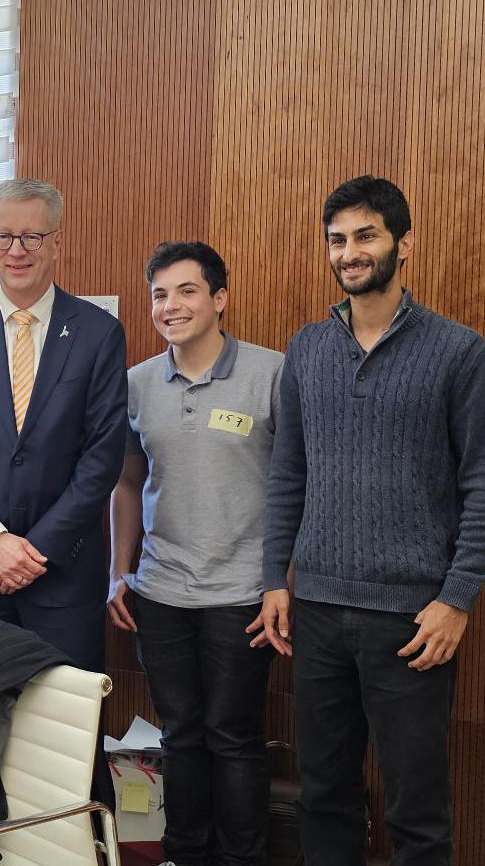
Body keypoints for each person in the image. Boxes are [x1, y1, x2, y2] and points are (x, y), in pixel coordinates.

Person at [255, 176, 485, 864]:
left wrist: (456, 599)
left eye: (365, 236)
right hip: (318, 613)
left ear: (402, 244)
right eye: (337, 240)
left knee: (416, 812)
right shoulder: (305, 349)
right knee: (323, 797)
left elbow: (480, 483)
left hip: (412, 621)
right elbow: (287, 475)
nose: (349, 253)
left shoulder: (458, 352)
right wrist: (274, 579)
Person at [107, 241, 283, 866]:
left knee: (234, 737)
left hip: (243, 594)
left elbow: (297, 484)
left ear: (219, 299)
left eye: (187, 291)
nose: (170, 306)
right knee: (180, 735)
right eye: (159, 294)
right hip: (160, 592)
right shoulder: (137, 383)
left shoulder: (272, 373)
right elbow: (128, 484)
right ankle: (184, 853)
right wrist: (119, 572)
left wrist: (281, 581)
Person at [0, 178, 127, 672]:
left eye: (32, 237)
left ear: (56, 242)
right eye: (4, 237)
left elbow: (101, 459)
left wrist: (33, 552)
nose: (17, 251)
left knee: (61, 717)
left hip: (63, 578)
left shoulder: (98, 332)